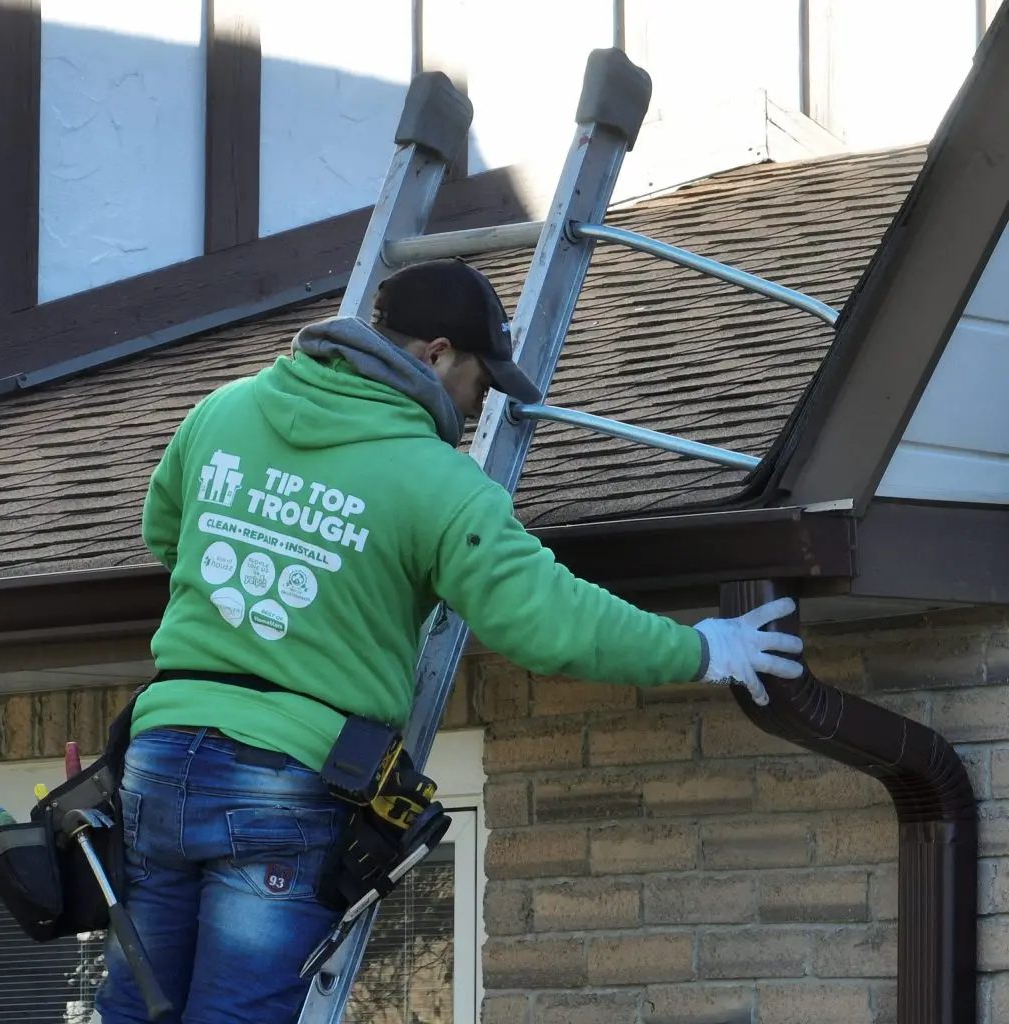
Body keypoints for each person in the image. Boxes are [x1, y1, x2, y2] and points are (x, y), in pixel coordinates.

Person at [95, 257, 804, 1024]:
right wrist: (704, 649)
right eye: (481, 381)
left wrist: (271, 581)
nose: (477, 405)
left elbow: (165, 532)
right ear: (436, 353)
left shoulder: (223, 412)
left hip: (158, 762)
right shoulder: (436, 480)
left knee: (135, 1009)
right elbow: (548, 619)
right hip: (282, 778)